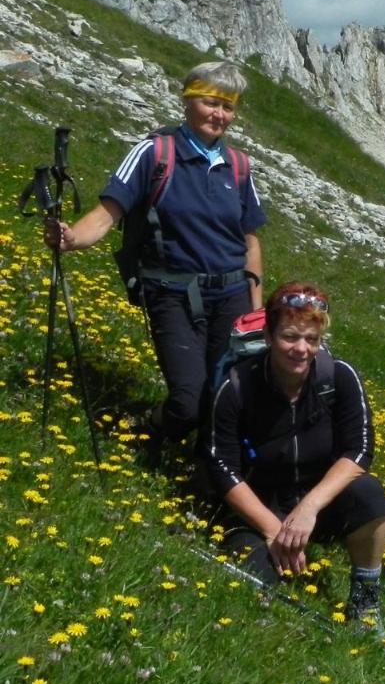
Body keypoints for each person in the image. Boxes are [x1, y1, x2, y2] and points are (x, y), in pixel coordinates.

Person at [43, 61, 265, 456]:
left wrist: (257, 310)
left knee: (227, 396)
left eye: (228, 107)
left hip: (232, 293)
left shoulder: (240, 166)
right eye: (211, 102)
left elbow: (249, 240)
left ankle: (207, 477)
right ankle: (151, 432)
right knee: (190, 400)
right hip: (173, 293)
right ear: (188, 101)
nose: (220, 114)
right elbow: (108, 213)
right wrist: (71, 238)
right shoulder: (154, 153)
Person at [206, 281, 385, 634]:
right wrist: (274, 530)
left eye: (311, 339)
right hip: (259, 506)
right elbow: (221, 466)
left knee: (369, 494)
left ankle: (366, 599)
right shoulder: (237, 387)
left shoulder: (339, 376)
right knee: (254, 587)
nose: (301, 349)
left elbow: (360, 450)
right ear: (268, 335)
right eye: (290, 337)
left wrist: (309, 508)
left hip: (316, 503)